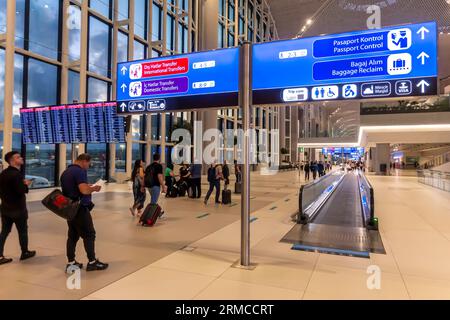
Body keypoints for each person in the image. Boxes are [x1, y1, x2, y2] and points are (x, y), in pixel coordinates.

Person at [60, 154, 108, 272]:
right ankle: (92, 262)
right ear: (84, 161)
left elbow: (74, 188)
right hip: (79, 208)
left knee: (72, 235)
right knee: (89, 234)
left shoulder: (66, 172)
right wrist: (94, 188)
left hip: (69, 208)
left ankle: (71, 263)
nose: (88, 166)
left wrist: (87, 186)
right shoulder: (80, 171)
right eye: (89, 163)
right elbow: (84, 190)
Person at [0, 151, 35, 265]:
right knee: (23, 232)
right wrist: (25, 184)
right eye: (18, 157)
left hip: (5, 208)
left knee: (4, 232)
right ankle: (24, 253)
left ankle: (0, 256)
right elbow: (20, 191)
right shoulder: (16, 174)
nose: (21, 158)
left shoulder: (3, 173)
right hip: (18, 209)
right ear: (11, 160)